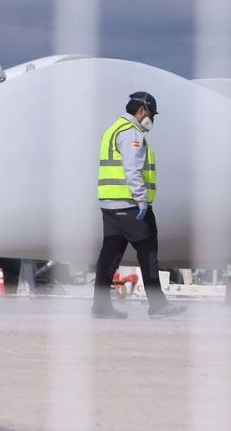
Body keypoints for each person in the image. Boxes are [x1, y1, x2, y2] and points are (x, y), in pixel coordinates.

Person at [92, 92, 186, 319]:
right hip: (130, 204)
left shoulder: (113, 129)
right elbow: (132, 170)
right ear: (141, 110)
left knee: (110, 256)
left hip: (109, 203)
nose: (152, 119)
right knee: (148, 250)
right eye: (152, 114)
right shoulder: (131, 133)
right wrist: (141, 199)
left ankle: (101, 307)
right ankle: (158, 305)